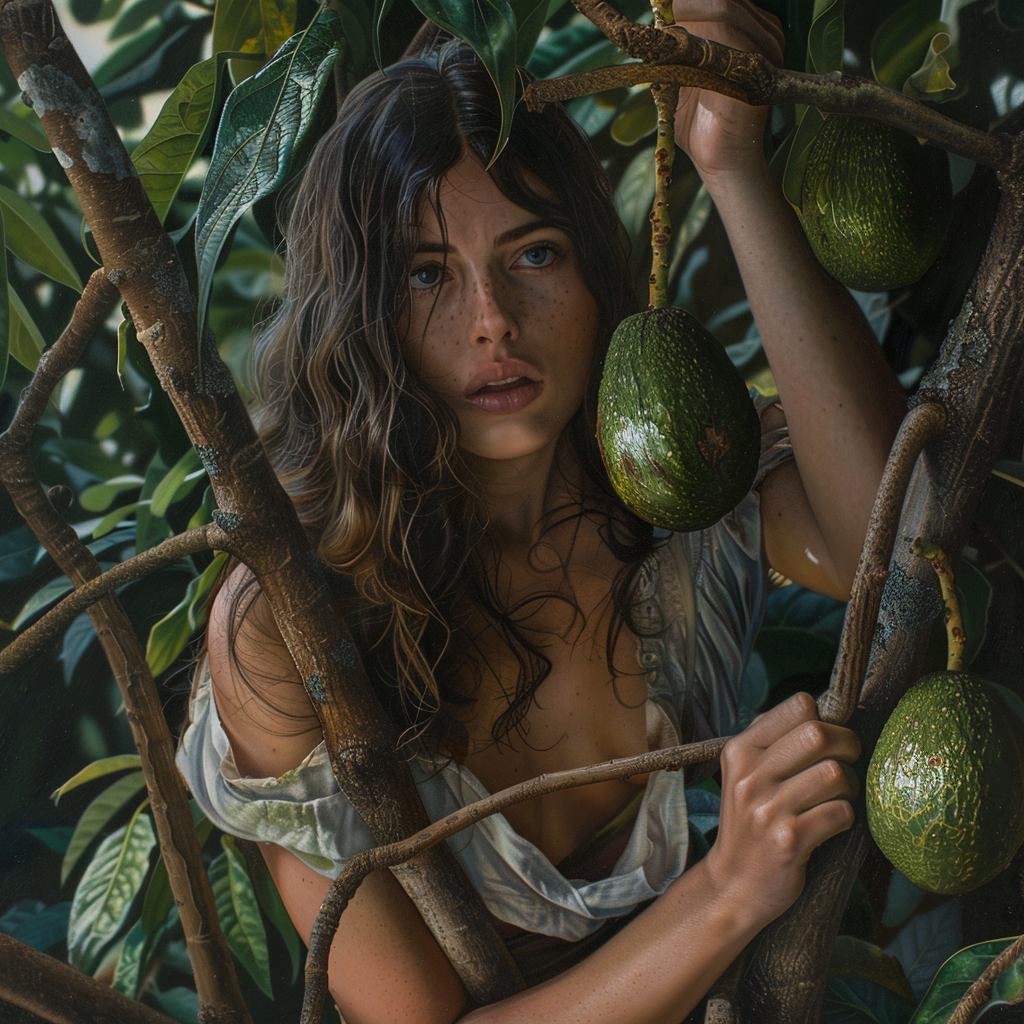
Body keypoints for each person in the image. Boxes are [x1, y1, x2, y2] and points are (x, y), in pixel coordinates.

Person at [176, 1, 907, 1021]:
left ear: (595, 275)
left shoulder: (669, 477)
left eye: (533, 255)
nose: (492, 323)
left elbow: (898, 540)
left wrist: (730, 163)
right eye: (428, 274)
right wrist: (730, 886)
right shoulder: (287, 628)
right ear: (361, 317)